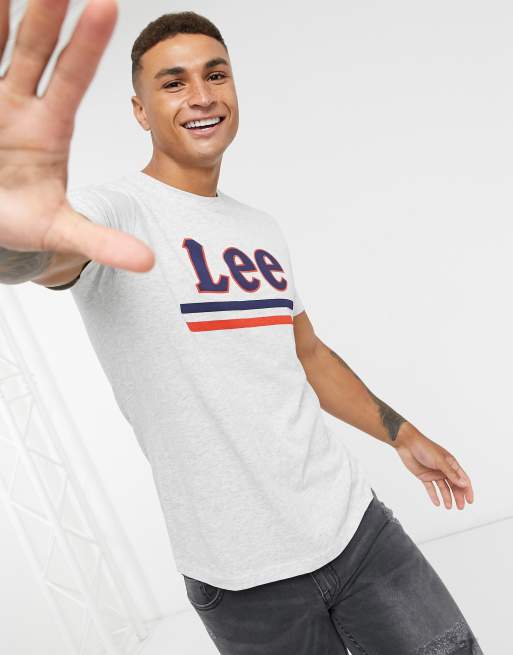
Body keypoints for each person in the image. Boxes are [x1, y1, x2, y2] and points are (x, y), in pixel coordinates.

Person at [0, 2, 483, 653]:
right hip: (244, 584)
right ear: (140, 110)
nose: (201, 95)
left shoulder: (259, 228)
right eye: (173, 82)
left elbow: (305, 352)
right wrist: (17, 231)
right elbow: (42, 255)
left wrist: (401, 433)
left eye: (215, 74)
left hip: (356, 529)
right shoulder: (115, 213)